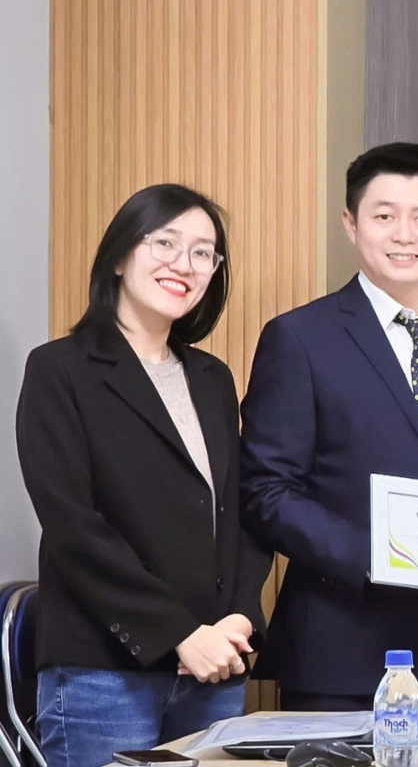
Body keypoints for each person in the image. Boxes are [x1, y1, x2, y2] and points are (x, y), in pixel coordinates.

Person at [240, 143, 418, 711]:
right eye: (384, 216)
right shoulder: (300, 338)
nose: (404, 234)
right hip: (343, 657)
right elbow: (266, 493)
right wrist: (388, 559)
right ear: (351, 224)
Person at [16, 184, 270, 767]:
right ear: (119, 255)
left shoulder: (212, 378)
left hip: (213, 667)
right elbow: (73, 526)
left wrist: (239, 617)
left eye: (203, 252)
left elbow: (237, 511)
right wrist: (179, 634)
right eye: (166, 243)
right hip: (103, 674)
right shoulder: (59, 369)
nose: (184, 264)